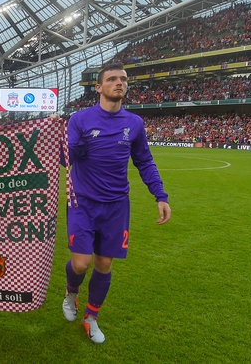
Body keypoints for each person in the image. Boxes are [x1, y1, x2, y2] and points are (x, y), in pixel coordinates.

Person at [60, 62, 171, 344]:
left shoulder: (134, 123)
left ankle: (91, 318)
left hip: (116, 206)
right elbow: (64, 158)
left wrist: (160, 195)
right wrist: (75, 148)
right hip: (82, 202)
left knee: (105, 262)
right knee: (82, 263)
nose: (119, 83)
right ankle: (71, 292)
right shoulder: (80, 120)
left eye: (122, 79)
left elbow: (144, 161)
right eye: (112, 79)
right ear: (99, 87)